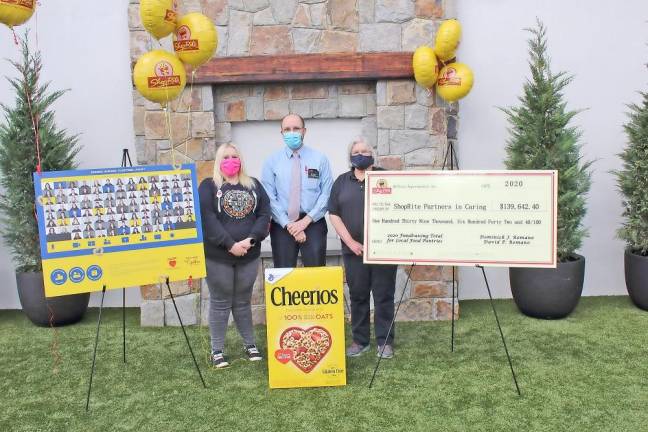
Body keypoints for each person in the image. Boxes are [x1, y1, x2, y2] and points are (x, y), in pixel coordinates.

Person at [199, 143, 271, 368]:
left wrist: (250, 241)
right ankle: (217, 350)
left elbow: (264, 214)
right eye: (226, 157)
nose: (231, 160)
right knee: (220, 302)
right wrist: (230, 244)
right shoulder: (208, 186)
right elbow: (207, 219)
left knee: (242, 302)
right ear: (218, 161)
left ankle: (250, 344)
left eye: (235, 156)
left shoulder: (254, 185)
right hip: (218, 257)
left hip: (249, 255)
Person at [328, 137, 398, 359]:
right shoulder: (341, 181)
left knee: (383, 295)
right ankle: (360, 341)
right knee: (358, 296)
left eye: (365, 150)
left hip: (383, 250)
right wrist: (350, 242)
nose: (361, 153)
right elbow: (334, 214)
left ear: (372, 154)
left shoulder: (385, 177)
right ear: (350, 156)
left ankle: (385, 341)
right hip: (353, 251)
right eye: (357, 150)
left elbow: (401, 207)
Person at [261, 114, 333, 267]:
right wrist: (289, 225)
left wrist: (305, 222)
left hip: (313, 222)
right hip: (282, 224)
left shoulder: (320, 159)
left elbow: (326, 194)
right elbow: (269, 197)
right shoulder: (271, 161)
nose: (291, 133)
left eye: (296, 128)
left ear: (304, 131)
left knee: (316, 275)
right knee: (284, 275)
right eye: (287, 129)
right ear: (281, 132)